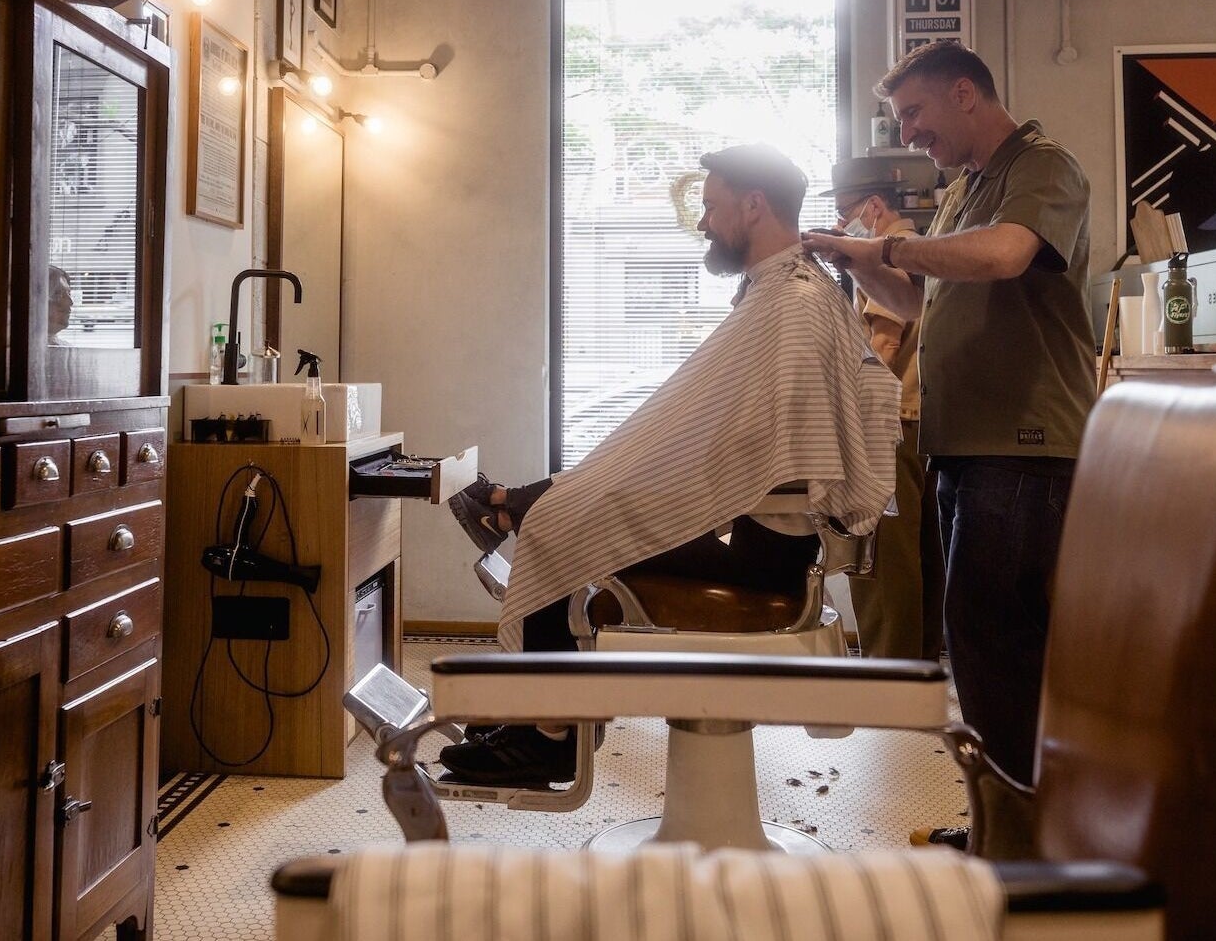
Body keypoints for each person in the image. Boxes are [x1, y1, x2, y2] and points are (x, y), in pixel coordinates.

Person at [440, 143, 903, 786]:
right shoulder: (792, 291)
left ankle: (544, 738)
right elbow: (721, 433)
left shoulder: (791, 305)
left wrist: (604, 487)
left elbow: (741, 447)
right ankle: (537, 712)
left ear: (753, 205)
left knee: (562, 529)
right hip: (771, 540)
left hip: (766, 560)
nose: (704, 223)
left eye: (712, 209)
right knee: (573, 509)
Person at [803, 41, 1094, 796]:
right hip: (962, 445)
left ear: (965, 93)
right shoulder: (967, 188)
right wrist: (867, 266)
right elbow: (927, 308)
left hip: (1024, 445)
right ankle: (1004, 821)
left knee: (1001, 647)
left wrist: (891, 243)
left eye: (914, 114)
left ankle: (1023, 833)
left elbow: (1003, 257)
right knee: (977, 648)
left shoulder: (1041, 166)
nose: (909, 135)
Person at [818, 156, 941, 661]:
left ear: (873, 208)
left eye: (846, 211)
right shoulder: (917, 253)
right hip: (919, 423)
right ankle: (918, 668)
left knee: (883, 562)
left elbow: (883, 352)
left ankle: (891, 672)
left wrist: (849, 421)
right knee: (920, 560)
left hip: (892, 426)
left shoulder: (888, 258)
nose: (843, 223)